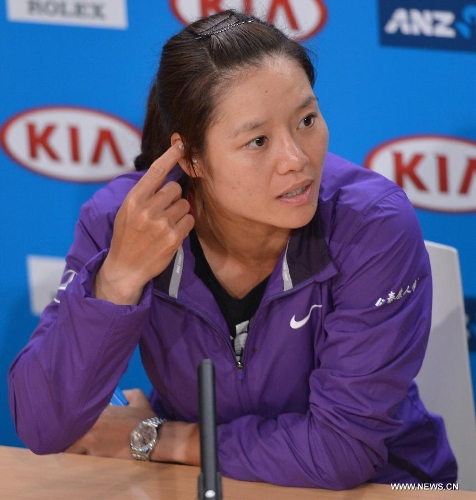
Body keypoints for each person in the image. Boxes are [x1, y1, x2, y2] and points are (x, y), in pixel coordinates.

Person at [8, 10, 457, 490]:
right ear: (192, 157)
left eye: (307, 119)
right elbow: (44, 426)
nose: (297, 160)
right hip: (204, 482)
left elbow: (341, 451)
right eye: (258, 140)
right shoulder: (124, 221)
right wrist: (117, 280)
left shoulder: (373, 225)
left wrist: (160, 440)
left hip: (390, 485)